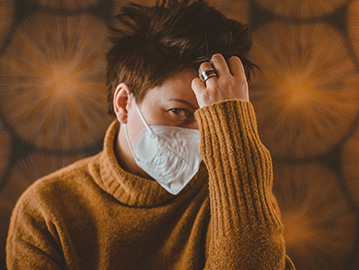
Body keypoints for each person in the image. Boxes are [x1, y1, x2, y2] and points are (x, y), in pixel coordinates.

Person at [6, 0, 295, 269]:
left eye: (211, 116)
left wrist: (232, 127)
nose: (199, 134)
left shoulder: (239, 194)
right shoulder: (46, 211)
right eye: (179, 112)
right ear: (123, 104)